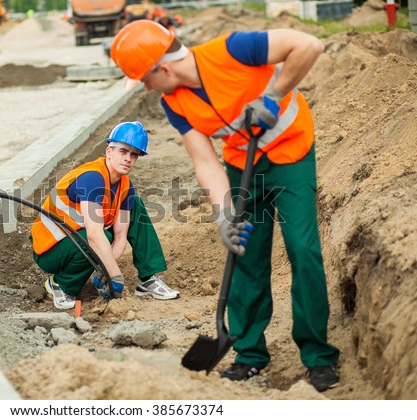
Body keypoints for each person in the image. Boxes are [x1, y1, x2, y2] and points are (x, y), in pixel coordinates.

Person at [110, 21, 340, 392]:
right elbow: (204, 161)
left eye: (146, 79)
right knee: (244, 251)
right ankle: (249, 355)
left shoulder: (233, 49)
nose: (147, 87)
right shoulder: (173, 103)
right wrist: (223, 215)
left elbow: (309, 44)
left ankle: (318, 357)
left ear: (163, 68)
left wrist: (273, 94)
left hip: (291, 155)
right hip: (243, 164)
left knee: (302, 248)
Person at [30, 121, 180, 310]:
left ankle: (148, 279)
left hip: (75, 238)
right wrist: (114, 274)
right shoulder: (92, 178)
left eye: (134, 155)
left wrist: (107, 270)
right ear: (109, 151)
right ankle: (60, 284)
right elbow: (94, 235)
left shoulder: (125, 185)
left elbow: (120, 236)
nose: (128, 159)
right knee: (98, 238)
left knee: (136, 205)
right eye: (123, 152)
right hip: (50, 249)